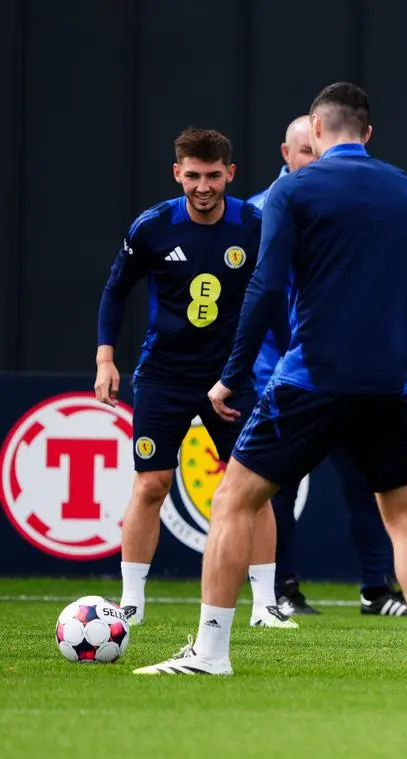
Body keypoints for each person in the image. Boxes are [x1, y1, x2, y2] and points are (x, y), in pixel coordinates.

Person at [133, 82, 407, 677]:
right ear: (368, 134)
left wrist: (229, 377)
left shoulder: (294, 189)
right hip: (392, 384)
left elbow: (266, 291)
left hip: (311, 378)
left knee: (235, 501)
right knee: (404, 518)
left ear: (316, 131)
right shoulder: (406, 190)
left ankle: (211, 652)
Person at [95, 128, 296, 630]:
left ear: (230, 173)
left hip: (232, 378)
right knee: (150, 485)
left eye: (212, 175)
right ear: (176, 174)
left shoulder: (255, 224)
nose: (202, 186)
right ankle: (132, 602)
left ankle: (266, 604)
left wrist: (291, 358)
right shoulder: (153, 227)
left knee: (255, 488)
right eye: (192, 176)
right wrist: (105, 359)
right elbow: (116, 290)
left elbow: (271, 298)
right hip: (164, 375)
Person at [247, 115, 407, 618]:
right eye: (302, 152)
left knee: (367, 484)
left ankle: (376, 590)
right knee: (275, 488)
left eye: (315, 151)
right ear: (286, 153)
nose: (311, 160)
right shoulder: (259, 211)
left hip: (346, 372)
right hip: (284, 376)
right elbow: (255, 299)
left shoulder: (346, 208)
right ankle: (281, 589)